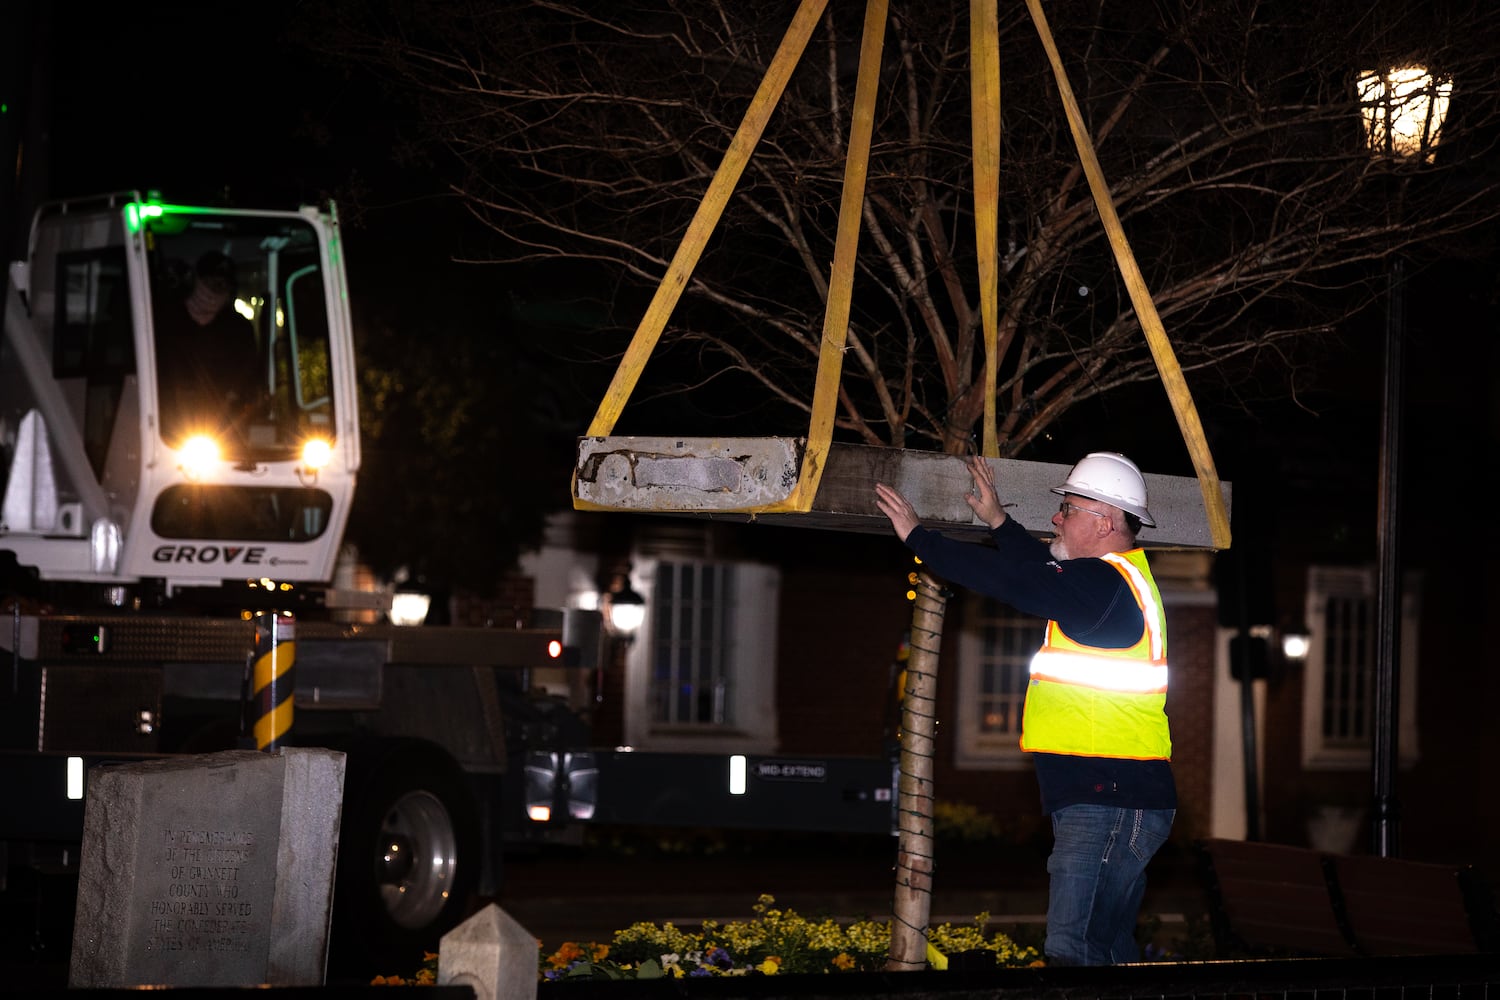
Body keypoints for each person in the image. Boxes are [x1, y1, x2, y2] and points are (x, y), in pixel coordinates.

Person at [874, 452, 1175, 967]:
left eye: (1069, 509)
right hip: (1118, 793)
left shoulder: (1102, 587)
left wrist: (920, 540)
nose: (1056, 517)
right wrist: (998, 521)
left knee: (1073, 951)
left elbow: (1015, 581)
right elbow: (1041, 570)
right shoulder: (1111, 581)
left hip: (1110, 794)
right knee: (1103, 952)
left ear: (1103, 521)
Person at [154, 251, 261, 441]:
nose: (214, 292)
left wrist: (232, 399)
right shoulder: (164, 320)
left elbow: (248, 376)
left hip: (222, 428)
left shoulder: (238, 329)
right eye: (210, 283)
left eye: (222, 286)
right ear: (194, 281)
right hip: (166, 426)